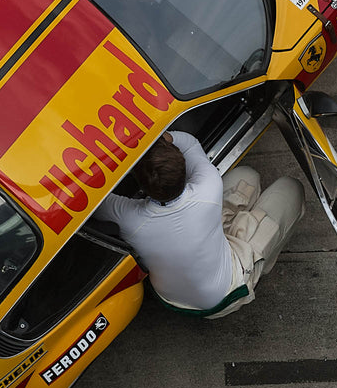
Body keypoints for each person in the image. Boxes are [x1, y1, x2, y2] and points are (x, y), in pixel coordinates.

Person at [98, 130, 305, 319]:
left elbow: (95, 201)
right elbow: (189, 143)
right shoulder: (208, 186)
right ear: (183, 166)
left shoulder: (128, 219)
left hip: (170, 298)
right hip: (224, 295)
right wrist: (160, 138)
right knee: (291, 187)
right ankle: (258, 266)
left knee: (247, 176)